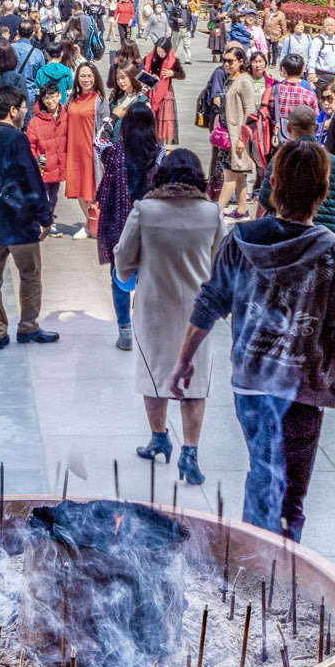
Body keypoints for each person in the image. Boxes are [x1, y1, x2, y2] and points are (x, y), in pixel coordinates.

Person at [173, 138, 335, 539]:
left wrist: (184, 358)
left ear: (274, 185)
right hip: (303, 391)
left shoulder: (241, 240)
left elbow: (210, 302)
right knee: (289, 496)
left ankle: (252, 558)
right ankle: (275, 573)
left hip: (250, 384)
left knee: (263, 474)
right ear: (322, 190)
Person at [115, 148, 224, 483]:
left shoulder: (144, 211)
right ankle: (190, 452)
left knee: (154, 374)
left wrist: (131, 274)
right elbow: (221, 264)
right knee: (194, 382)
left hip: (152, 308)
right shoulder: (212, 213)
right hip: (198, 313)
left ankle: (159, 438)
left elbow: (123, 260)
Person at [0, 85, 59, 349]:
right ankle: (28, 327)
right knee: (30, 275)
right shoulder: (17, 139)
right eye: (23, 108)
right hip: (19, 223)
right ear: (12, 111)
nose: (25, 113)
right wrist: (45, 217)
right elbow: (32, 181)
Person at [95, 99, 163, 349]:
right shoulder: (160, 154)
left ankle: (125, 329)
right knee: (150, 277)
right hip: (151, 227)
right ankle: (146, 328)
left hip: (119, 225)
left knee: (119, 275)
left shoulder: (113, 151)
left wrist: (112, 117)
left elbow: (98, 141)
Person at [254, 104, 335, 233]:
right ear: (316, 128)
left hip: (290, 234)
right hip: (328, 234)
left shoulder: (281, 159)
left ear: (288, 128)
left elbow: (266, 199)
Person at [63, 60, 105, 237]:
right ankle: (89, 223)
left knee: (92, 188)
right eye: (82, 76)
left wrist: (103, 154)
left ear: (95, 78)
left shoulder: (100, 100)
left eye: (89, 76)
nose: (86, 79)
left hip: (91, 151)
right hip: (73, 149)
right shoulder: (71, 98)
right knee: (78, 187)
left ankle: (90, 225)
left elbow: (105, 128)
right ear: (77, 78)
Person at [222, 42, 263, 219]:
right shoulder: (229, 78)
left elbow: (250, 111)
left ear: (240, 61)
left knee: (230, 174)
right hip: (226, 132)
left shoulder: (245, 80)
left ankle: (217, 211)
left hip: (237, 134)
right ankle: (242, 209)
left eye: (231, 61)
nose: (227, 64)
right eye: (225, 60)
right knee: (239, 175)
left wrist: (242, 138)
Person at [25, 82, 69, 233]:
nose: (50, 100)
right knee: (43, 195)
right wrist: (37, 160)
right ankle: (44, 221)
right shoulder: (35, 122)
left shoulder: (66, 117)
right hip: (43, 165)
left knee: (53, 195)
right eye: (46, 98)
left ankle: (47, 220)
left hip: (58, 164)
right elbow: (30, 145)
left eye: (52, 96)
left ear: (59, 96)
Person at [146, 36, 185, 145]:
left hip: (165, 91)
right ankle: (152, 141)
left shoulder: (173, 60)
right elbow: (141, 68)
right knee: (151, 116)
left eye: (163, 52)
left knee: (165, 118)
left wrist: (172, 73)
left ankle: (165, 145)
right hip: (152, 89)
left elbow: (182, 75)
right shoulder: (150, 57)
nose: (160, 54)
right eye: (158, 51)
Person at [307, 15, 335, 91]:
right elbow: (312, 58)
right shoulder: (318, 41)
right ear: (323, 27)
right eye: (327, 25)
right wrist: (311, 73)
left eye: (332, 25)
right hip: (322, 77)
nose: (330, 27)